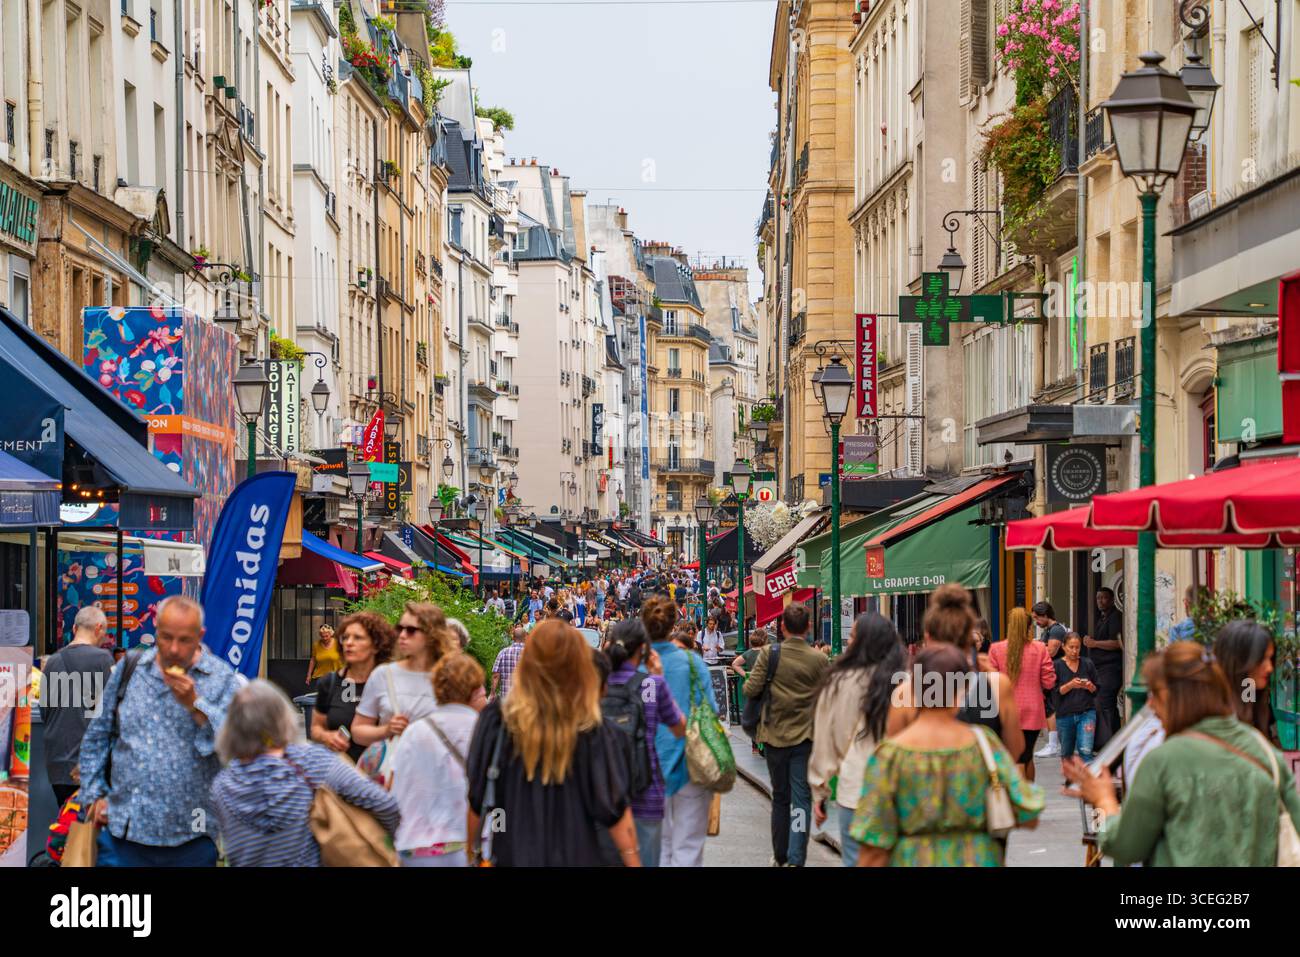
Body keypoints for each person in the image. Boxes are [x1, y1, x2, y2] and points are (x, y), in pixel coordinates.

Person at [1063, 641, 1300, 866]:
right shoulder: (1264, 751)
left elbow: (1126, 846)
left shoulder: (1163, 760)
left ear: (1172, 695)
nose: (1152, 706)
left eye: (1154, 694)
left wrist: (1104, 801)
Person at [78, 595, 241, 867]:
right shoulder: (130, 669)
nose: (174, 649)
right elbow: (97, 735)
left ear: (199, 635)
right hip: (125, 833)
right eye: (166, 637)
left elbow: (236, 747)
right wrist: (93, 796)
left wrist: (197, 706)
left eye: (184, 640)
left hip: (192, 836)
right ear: (155, 628)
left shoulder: (222, 679)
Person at [465, 620, 639, 866]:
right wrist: (632, 858)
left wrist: (470, 853)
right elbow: (615, 812)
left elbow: (477, 798)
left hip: (513, 854)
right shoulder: (598, 731)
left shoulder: (498, 722)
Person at [853, 644, 1044, 866]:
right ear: (962, 691)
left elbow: (872, 846)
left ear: (914, 687)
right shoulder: (984, 744)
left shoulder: (889, 756)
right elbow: (1029, 814)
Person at [211, 680, 399, 866]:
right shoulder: (312, 762)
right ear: (281, 717)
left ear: (232, 728)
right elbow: (384, 804)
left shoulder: (222, 786)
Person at [808, 612, 906, 866]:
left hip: (856, 788)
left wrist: (820, 790)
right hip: (900, 790)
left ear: (864, 642)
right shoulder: (907, 682)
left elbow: (829, 740)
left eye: (852, 636)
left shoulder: (841, 682)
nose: (848, 641)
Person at [892, 584, 1024, 762]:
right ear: (970, 636)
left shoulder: (906, 692)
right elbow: (1015, 751)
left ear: (928, 637)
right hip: (981, 787)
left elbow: (893, 753)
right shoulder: (997, 685)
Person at [744, 603, 829, 867]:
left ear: (782, 627)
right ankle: (796, 857)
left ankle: (780, 855)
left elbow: (749, 689)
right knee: (801, 799)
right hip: (805, 738)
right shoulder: (819, 659)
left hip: (774, 735)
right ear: (808, 627)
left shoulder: (770, 654)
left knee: (780, 796)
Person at [642, 595, 717, 867]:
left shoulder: (635, 666)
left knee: (655, 849)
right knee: (688, 849)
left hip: (646, 768)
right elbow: (710, 713)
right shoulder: (693, 664)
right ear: (674, 624)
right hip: (689, 765)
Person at [605, 618, 687, 867]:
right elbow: (680, 728)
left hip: (602, 793)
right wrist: (658, 675)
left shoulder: (597, 683)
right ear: (643, 649)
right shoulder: (653, 684)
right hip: (646, 791)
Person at [390, 654, 485, 866]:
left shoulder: (414, 732)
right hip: (469, 844)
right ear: (474, 689)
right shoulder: (483, 732)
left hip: (416, 847)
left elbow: (395, 789)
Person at [351, 602, 456, 749]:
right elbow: (358, 732)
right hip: (395, 767)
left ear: (432, 634)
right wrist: (386, 730)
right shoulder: (384, 675)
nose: (402, 635)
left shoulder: (451, 676)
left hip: (438, 767)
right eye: (399, 628)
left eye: (411, 630)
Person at [40, 606, 116, 808]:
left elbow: (45, 711)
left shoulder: (52, 662)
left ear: (74, 628)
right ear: (99, 628)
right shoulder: (103, 659)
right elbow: (107, 711)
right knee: (86, 830)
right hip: (88, 763)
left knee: (66, 822)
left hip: (56, 762)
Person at [311, 611, 395, 762]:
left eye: (358, 637)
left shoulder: (391, 683)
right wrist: (327, 736)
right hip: (339, 774)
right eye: (345, 637)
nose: (349, 643)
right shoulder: (329, 682)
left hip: (380, 774)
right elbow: (316, 728)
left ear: (376, 646)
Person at [988, 607, 1056, 781]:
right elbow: (1049, 681)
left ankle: (1014, 798)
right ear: (1029, 627)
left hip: (1004, 711)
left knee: (1011, 757)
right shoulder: (1040, 648)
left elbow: (990, 683)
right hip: (1032, 710)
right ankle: (1028, 797)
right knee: (1027, 757)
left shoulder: (996, 649)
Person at [1213, 620, 1278, 742]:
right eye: (1261, 659)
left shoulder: (1251, 692)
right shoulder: (1211, 708)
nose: (1270, 668)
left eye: (1270, 658)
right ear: (1239, 660)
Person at [1084, 586, 1123, 748]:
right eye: (1098, 598)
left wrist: (1094, 643)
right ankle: (1104, 741)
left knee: (1106, 705)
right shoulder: (1102, 618)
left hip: (1110, 669)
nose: (1100, 601)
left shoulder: (1115, 617)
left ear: (1112, 599)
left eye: (1104, 598)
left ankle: (1111, 742)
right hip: (1100, 669)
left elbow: (1117, 643)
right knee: (1100, 704)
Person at [1052, 633, 1099, 763]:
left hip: (1087, 713)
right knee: (1066, 753)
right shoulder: (1056, 666)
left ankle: (1088, 782)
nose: (1074, 651)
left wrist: (1090, 686)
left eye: (1077, 647)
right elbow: (1055, 692)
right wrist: (1070, 685)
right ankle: (1070, 781)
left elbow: (1096, 690)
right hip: (1064, 715)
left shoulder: (1087, 663)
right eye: (1071, 647)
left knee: (1085, 750)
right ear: (1063, 647)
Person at [1031, 601, 1068, 757]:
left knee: (1051, 709)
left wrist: (1035, 646)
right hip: (1051, 673)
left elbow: (1051, 651)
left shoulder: (1057, 630)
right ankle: (1054, 743)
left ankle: (1053, 744)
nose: (1036, 622)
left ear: (1045, 615)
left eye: (1037, 618)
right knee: (1050, 708)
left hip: (1056, 674)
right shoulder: (1049, 631)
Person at [491, 625, 528, 700]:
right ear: (525, 637)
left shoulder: (503, 652)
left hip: (506, 698)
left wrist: (492, 693)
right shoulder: (531, 653)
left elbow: (496, 675)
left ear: (513, 637)